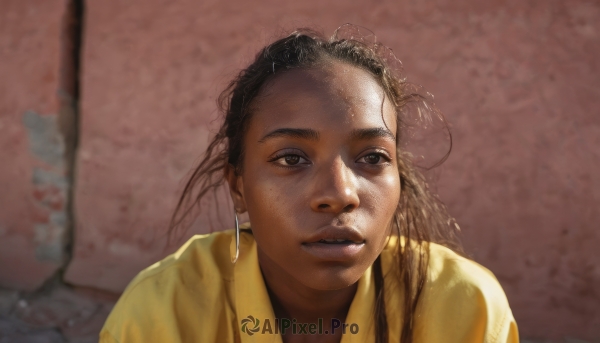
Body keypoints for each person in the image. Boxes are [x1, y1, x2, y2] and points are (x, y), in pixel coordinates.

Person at [99, 26, 519, 343]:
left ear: (400, 181)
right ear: (239, 187)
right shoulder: (163, 317)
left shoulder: (464, 308)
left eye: (372, 158)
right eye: (291, 158)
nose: (339, 194)